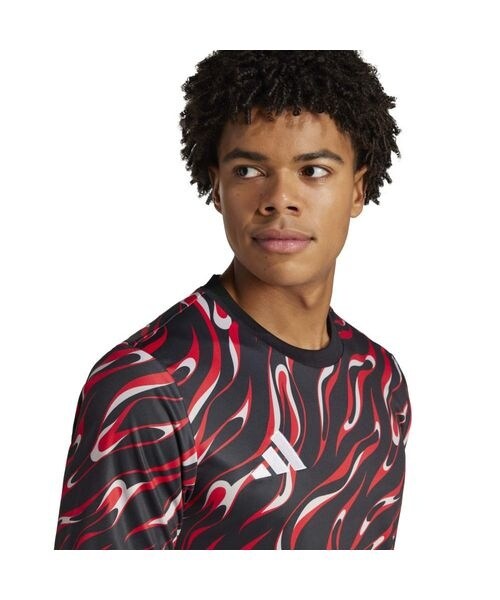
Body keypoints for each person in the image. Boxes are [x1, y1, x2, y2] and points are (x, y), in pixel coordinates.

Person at [54, 50, 412, 550]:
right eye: (248, 170)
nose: (279, 199)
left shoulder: (379, 379)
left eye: (313, 170)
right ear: (217, 187)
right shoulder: (147, 387)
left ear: (358, 189)